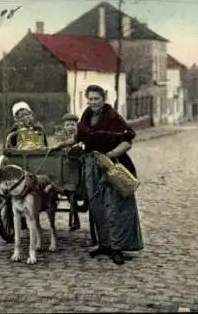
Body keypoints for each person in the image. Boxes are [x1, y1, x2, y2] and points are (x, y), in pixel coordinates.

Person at [53, 84, 144, 265]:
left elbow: (127, 142)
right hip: (91, 166)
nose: (93, 102)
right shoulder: (86, 117)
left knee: (115, 207)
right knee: (97, 206)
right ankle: (104, 245)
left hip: (112, 166)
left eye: (97, 99)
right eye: (90, 99)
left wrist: (109, 157)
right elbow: (78, 138)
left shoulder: (113, 117)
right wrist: (61, 145)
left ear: (104, 99)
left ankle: (117, 248)